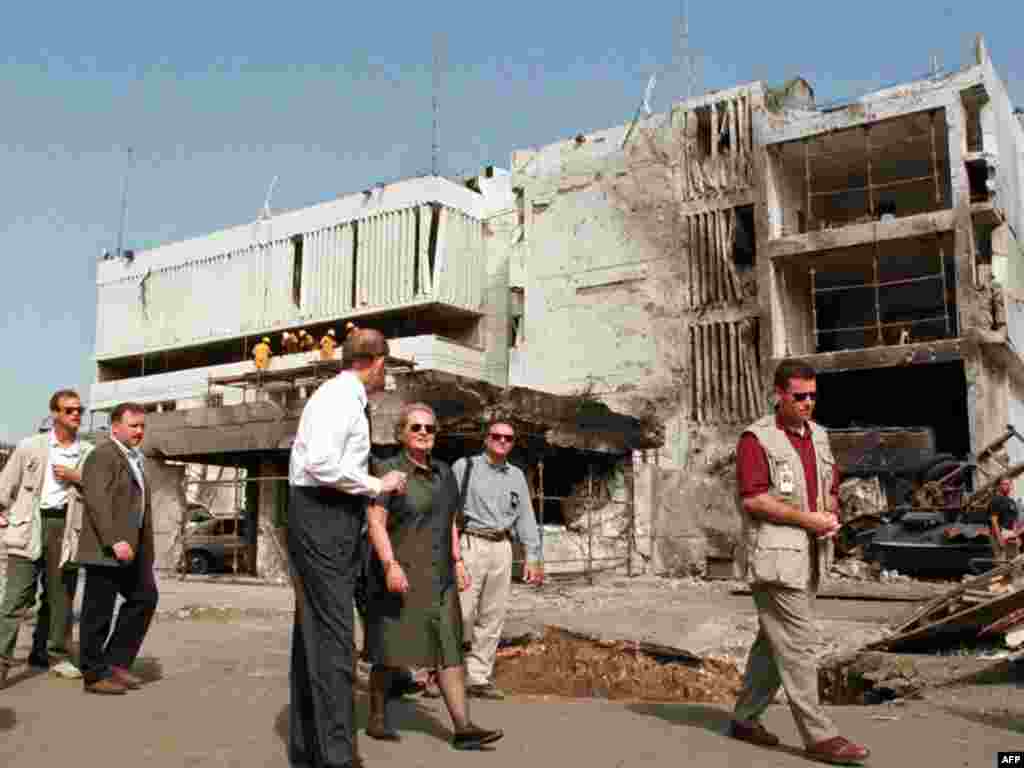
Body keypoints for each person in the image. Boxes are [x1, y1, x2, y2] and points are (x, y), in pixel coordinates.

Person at [730, 360, 870, 765]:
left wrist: (830, 514)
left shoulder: (820, 437)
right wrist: (808, 519)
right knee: (799, 644)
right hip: (775, 560)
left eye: (813, 395)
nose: (808, 403)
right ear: (778, 394)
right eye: (799, 396)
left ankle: (744, 718)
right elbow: (754, 498)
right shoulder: (756, 439)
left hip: (809, 558)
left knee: (773, 642)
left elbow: (829, 486)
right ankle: (820, 736)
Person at [287, 328, 408, 768]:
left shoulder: (340, 397)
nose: (385, 375)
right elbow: (321, 464)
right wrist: (379, 483)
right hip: (322, 514)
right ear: (376, 362)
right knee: (335, 639)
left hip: (327, 514)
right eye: (386, 367)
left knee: (315, 636)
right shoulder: (339, 398)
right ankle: (337, 756)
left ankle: (311, 750)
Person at [364, 403, 503, 750]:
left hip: (439, 575)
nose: (424, 433)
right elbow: (375, 523)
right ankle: (377, 717)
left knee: (448, 646)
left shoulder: (445, 473)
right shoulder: (388, 471)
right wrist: (389, 565)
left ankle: (463, 727)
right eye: (416, 428)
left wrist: (457, 560)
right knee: (390, 646)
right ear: (401, 433)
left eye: (430, 428)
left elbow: (450, 520)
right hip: (400, 572)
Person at [0, 389, 92, 687]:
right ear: (54, 414)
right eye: (69, 410)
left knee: (60, 596)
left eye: (79, 410)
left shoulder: (88, 452)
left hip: (67, 527)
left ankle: (54, 655)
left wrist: (78, 478)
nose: (76, 415)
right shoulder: (31, 446)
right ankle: (2, 661)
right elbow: (5, 485)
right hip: (31, 524)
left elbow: (101, 490)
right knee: (15, 598)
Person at [451, 419, 542, 700]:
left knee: (493, 614)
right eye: (496, 436)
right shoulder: (464, 467)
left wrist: (533, 555)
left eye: (508, 438)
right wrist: (453, 555)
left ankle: (478, 676)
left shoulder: (516, 475)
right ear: (486, 439)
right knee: (461, 612)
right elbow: (447, 514)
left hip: (502, 546)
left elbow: (526, 515)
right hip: (470, 543)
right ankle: (444, 673)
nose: (502, 441)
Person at [77, 402, 159, 695]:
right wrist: (113, 539)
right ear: (115, 427)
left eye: (142, 426)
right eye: (133, 425)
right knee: (97, 612)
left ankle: (114, 663)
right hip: (106, 548)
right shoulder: (102, 455)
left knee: (145, 597)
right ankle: (93, 673)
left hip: (132, 549)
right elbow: (97, 501)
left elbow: (140, 508)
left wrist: (145, 550)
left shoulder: (134, 458)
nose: (139, 431)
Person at [989, 478, 1020, 561]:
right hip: (999, 535)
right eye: (1004, 484)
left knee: (1015, 562)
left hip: (1011, 536)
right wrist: (999, 538)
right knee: (1002, 563)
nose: (1007, 486)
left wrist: (1016, 536)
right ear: (999, 486)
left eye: (1008, 484)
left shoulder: (1012, 502)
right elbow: (994, 521)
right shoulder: (995, 500)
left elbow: (1014, 521)